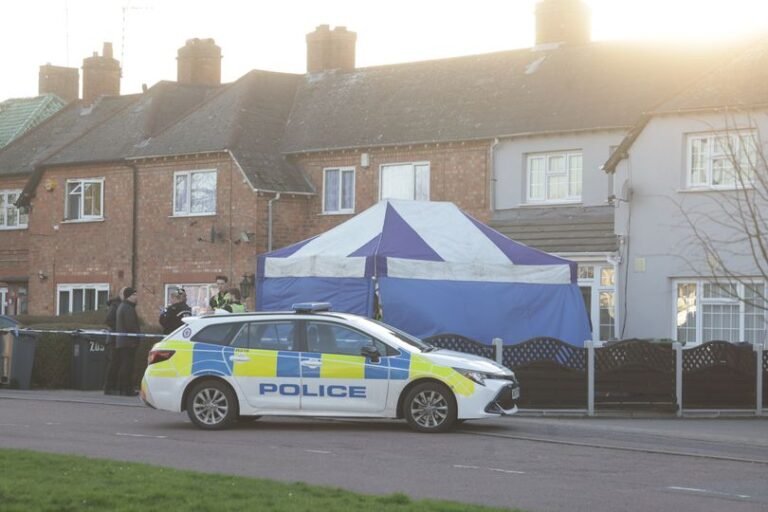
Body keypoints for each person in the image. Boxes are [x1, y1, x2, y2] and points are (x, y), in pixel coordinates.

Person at [115, 287, 141, 396]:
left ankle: (122, 388)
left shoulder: (125, 306)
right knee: (127, 366)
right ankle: (126, 389)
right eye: (134, 295)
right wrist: (137, 336)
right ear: (129, 296)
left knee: (125, 365)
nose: (136, 297)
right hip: (128, 342)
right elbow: (131, 326)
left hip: (124, 342)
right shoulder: (127, 308)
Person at [103, 287, 125, 395]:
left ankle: (115, 387)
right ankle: (108, 387)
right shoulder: (115, 305)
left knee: (118, 363)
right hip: (113, 339)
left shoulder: (123, 305)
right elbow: (108, 320)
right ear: (121, 294)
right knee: (113, 363)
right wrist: (119, 329)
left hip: (119, 339)